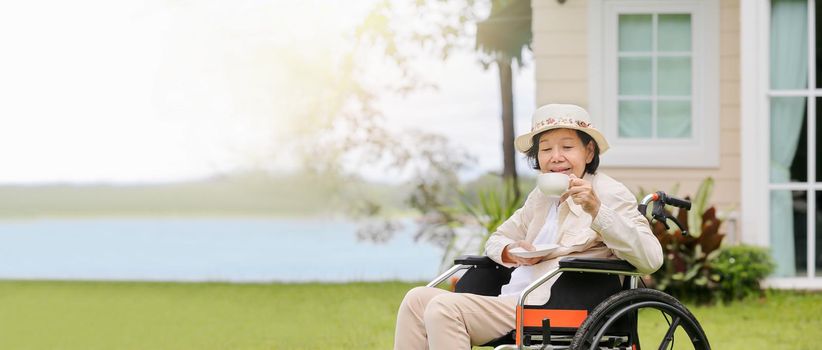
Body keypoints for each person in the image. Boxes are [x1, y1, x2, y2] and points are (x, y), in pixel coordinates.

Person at [393, 103, 663, 349]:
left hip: (554, 302)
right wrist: (511, 251)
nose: (555, 157)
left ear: (588, 151)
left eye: (567, 147)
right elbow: (497, 238)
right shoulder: (541, 197)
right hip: (514, 298)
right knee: (416, 299)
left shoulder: (609, 193)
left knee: (443, 308)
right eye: (546, 149)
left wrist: (597, 211)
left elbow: (651, 259)